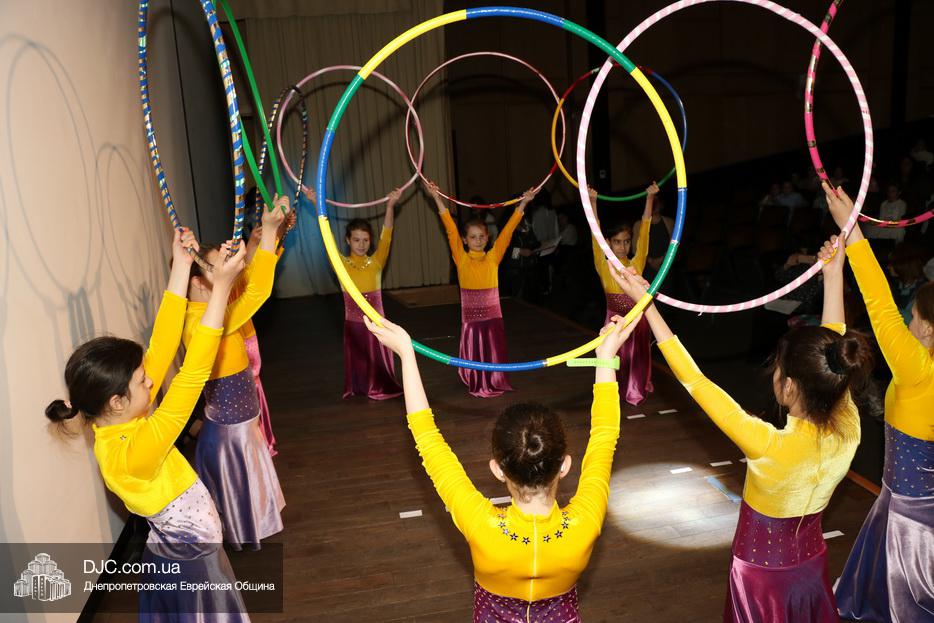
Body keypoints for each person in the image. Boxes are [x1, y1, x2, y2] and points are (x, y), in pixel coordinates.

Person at [612, 230, 871, 622]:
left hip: (760, 576)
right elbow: (832, 348)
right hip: (811, 563)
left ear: (789, 386)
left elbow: (696, 382)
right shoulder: (849, 422)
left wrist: (646, 303)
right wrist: (833, 274)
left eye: (778, 368)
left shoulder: (769, 445)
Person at [363, 311, 638, 621]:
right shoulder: (587, 520)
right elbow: (604, 436)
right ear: (564, 465)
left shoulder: (481, 524)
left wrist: (406, 355)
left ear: (497, 469)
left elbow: (428, 442)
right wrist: (605, 359)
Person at [46, 230, 251, 621]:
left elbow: (161, 343)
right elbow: (192, 375)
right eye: (142, 381)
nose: (152, 380)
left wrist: (181, 266)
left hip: (179, 550)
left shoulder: (119, 419)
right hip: (193, 563)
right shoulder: (134, 452)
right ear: (116, 401)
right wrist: (221, 289)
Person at [822, 182, 934, 623]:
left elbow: (881, 306)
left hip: (909, 519)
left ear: (927, 329)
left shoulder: (918, 368)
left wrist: (851, 229)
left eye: (915, 317)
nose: (909, 321)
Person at [184, 195, 290, 549]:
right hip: (229, 434)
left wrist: (267, 238)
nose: (229, 271)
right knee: (235, 487)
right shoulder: (203, 324)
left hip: (243, 424)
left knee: (250, 479)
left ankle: (255, 520)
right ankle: (241, 528)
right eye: (220, 267)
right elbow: (258, 292)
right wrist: (269, 232)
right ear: (198, 283)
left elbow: (252, 284)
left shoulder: (216, 313)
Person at [426, 181, 535, 397]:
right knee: (477, 355)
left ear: (488, 238)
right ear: (465, 240)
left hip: (493, 319)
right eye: (473, 237)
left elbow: (507, 232)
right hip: (472, 323)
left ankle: (494, 380)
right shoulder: (462, 259)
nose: (478, 240)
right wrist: (436, 198)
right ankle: (477, 381)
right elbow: (450, 229)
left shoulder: (493, 257)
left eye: (482, 237)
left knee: (493, 353)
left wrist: (523, 204)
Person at [305, 187, 403, 400]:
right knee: (360, 358)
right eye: (357, 240)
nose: (361, 244)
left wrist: (390, 206)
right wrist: (315, 203)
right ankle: (360, 386)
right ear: (348, 240)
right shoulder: (340, 263)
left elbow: (387, 234)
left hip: (377, 323)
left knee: (376, 357)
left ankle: (379, 386)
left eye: (365, 240)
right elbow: (327, 238)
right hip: (354, 324)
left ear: (370, 241)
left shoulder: (376, 262)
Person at [591, 184, 656, 405]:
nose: (622, 246)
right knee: (615, 357)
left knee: (636, 358)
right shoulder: (604, 264)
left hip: (637, 319)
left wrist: (649, 199)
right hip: (613, 319)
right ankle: (614, 389)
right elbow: (595, 233)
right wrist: (593, 202)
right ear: (609, 243)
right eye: (617, 242)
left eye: (626, 241)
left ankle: (636, 390)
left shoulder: (636, 264)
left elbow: (644, 234)